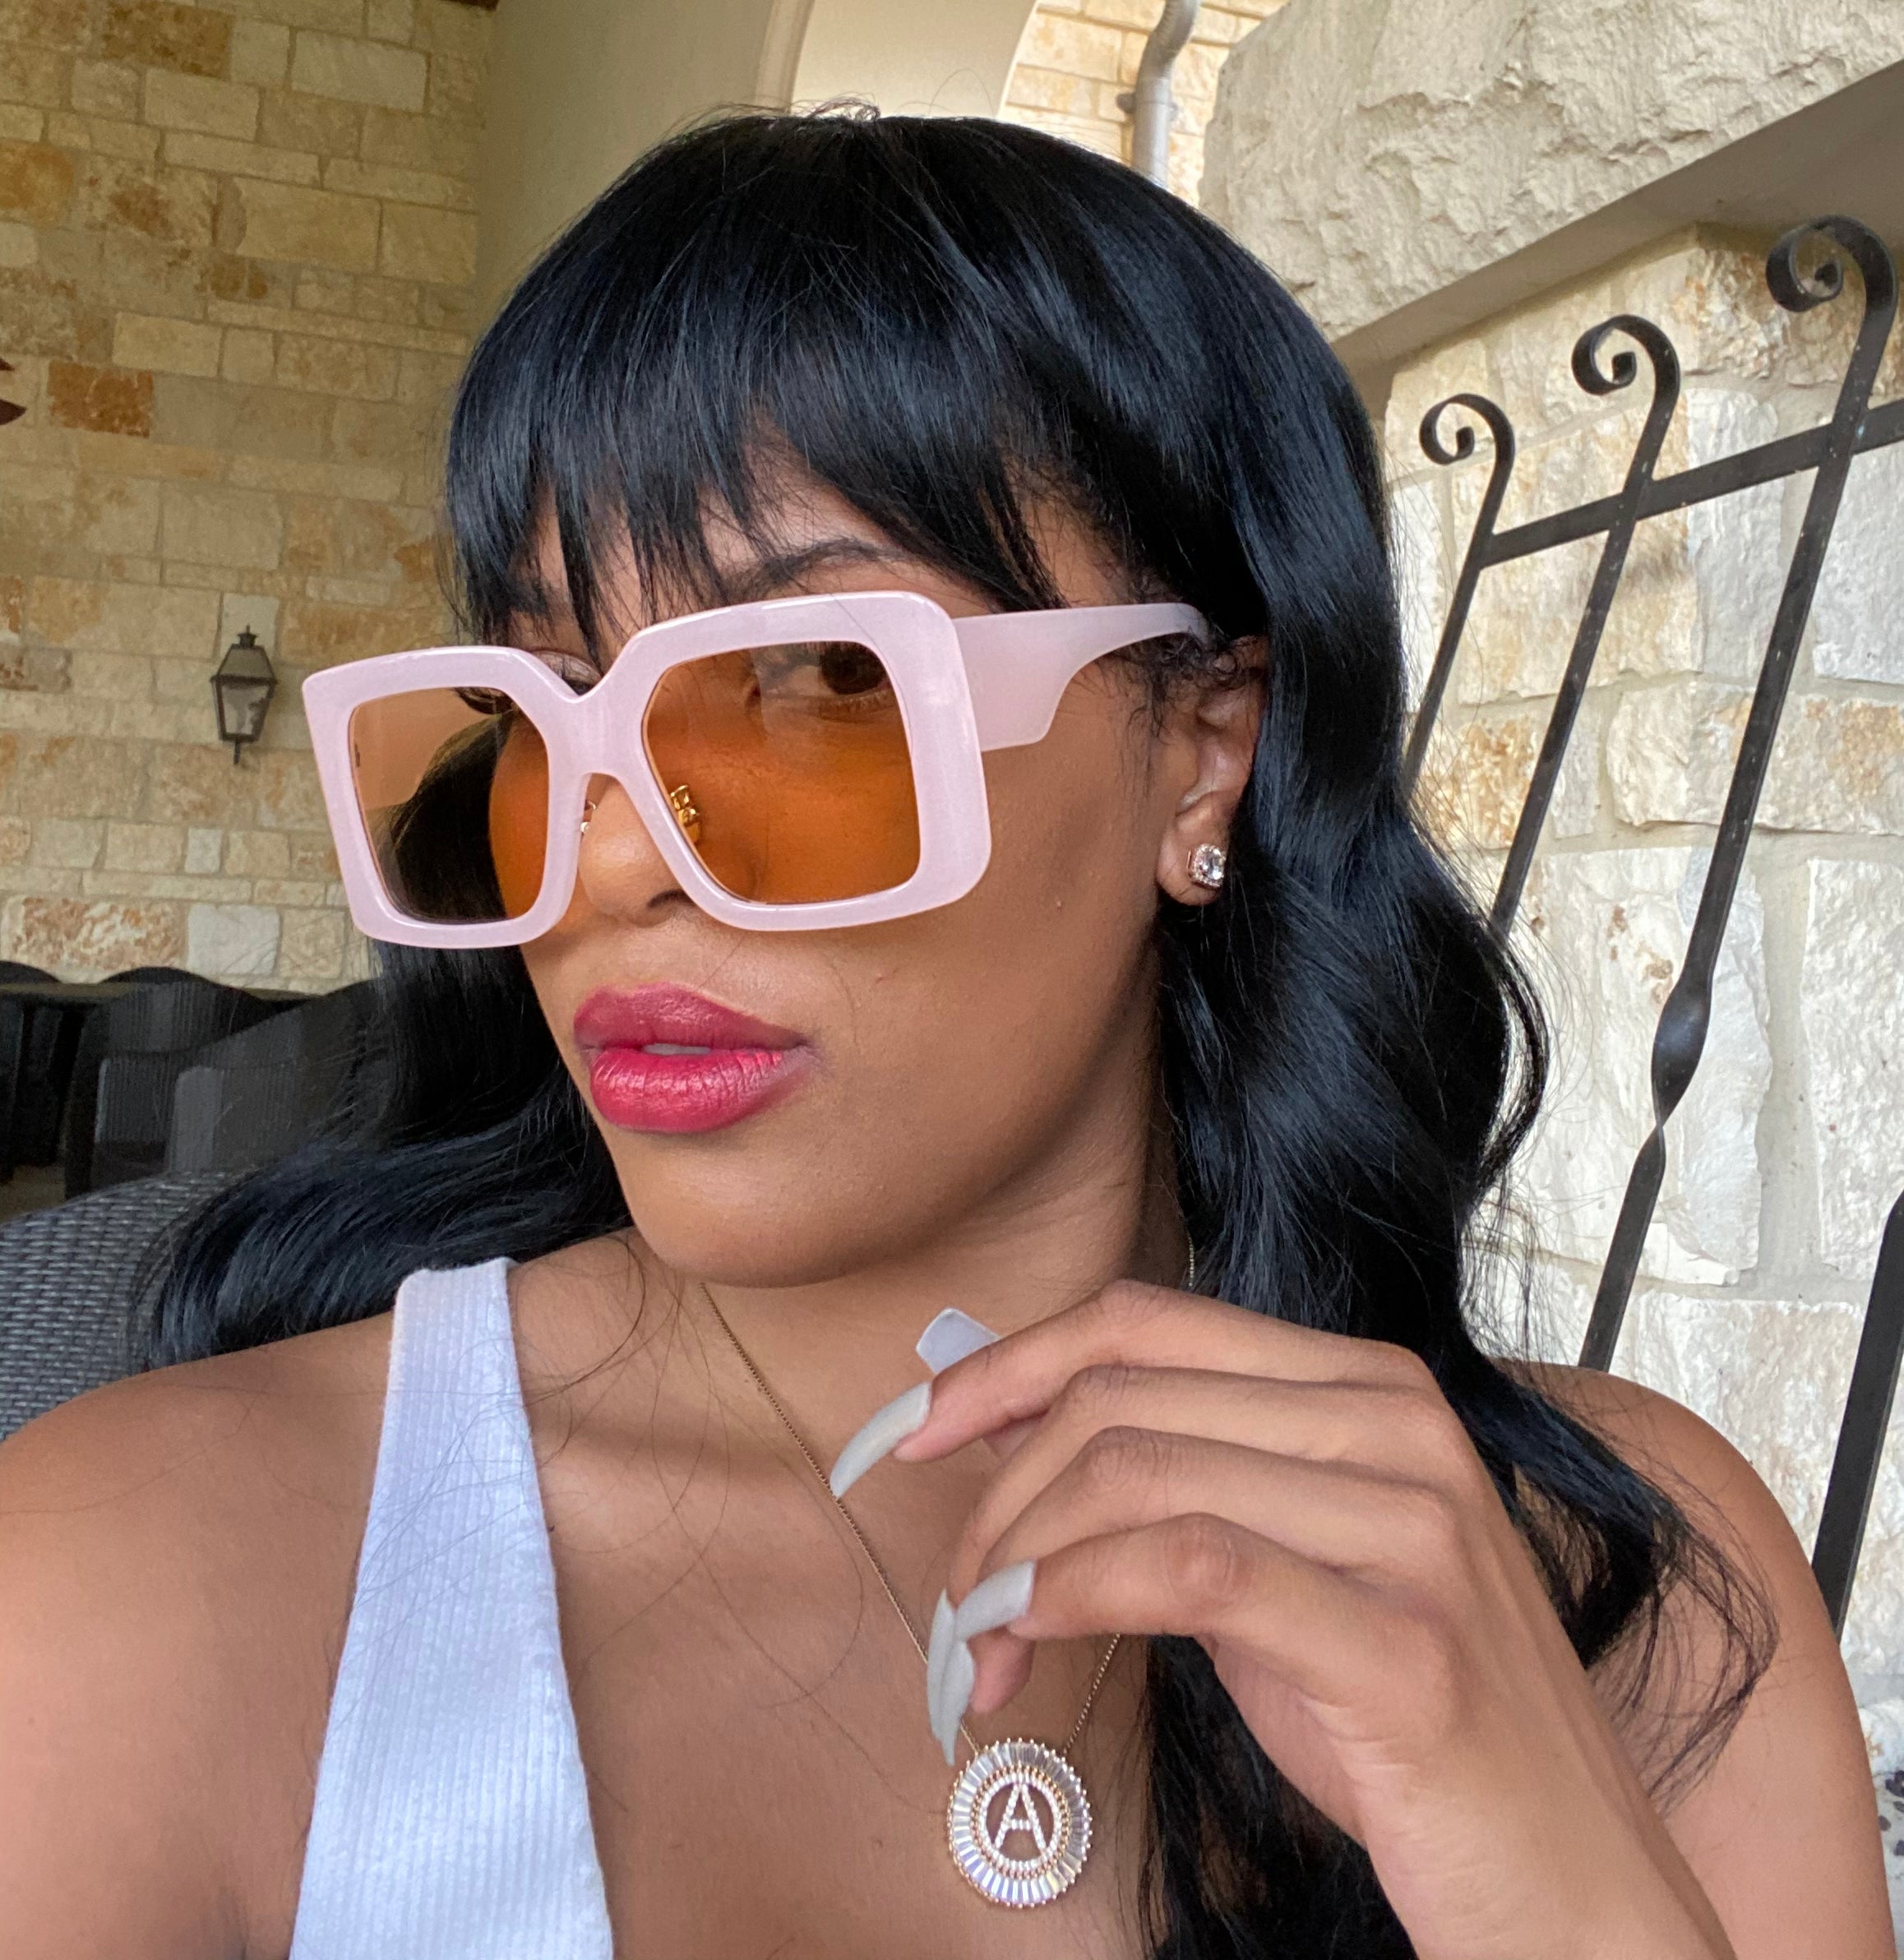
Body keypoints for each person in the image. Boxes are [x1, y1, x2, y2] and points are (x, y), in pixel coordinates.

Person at [0, 112, 1886, 1960]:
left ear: (1204, 748)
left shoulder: (1633, 1584)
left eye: (813, 680)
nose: (607, 856)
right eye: (535, 713)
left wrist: (1569, 1890)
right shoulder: (144, 1572)